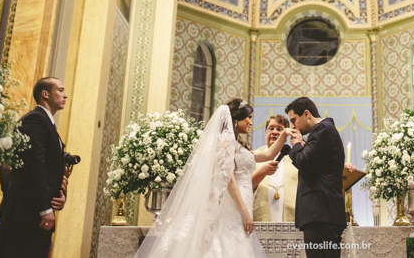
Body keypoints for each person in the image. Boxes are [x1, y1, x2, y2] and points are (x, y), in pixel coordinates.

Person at [134, 98, 295, 257]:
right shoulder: (226, 142)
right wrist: (244, 211)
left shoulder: (237, 145)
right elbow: (228, 179)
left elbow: (268, 154)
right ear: (236, 118)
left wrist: (285, 133)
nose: (251, 122)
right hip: (235, 207)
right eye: (249, 118)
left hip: (242, 205)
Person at [0, 77, 68, 257]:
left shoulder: (47, 123)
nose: (65, 95)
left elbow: (50, 169)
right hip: (29, 212)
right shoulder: (34, 120)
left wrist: (60, 196)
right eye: (60, 90)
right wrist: (45, 208)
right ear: (45, 94)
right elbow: (34, 165)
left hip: (39, 212)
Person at [286, 97, 346, 258]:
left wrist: (297, 145)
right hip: (323, 213)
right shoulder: (324, 130)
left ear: (306, 114)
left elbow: (304, 162)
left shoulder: (322, 129)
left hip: (321, 212)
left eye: (294, 120)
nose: (293, 126)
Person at [252, 115, 298, 222]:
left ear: (286, 136)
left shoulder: (295, 158)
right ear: (265, 134)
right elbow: (245, 186)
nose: (275, 132)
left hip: (290, 217)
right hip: (260, 216)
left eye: (279, 129)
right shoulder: (254, 158)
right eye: (271, 128)